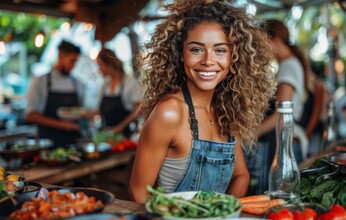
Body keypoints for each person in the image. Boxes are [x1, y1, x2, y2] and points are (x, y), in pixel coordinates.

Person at [129, 0, 277, 203]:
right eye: (196, 49)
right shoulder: (169, 112)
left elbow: (241, 176)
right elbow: (139, 193)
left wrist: (221, 214)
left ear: (234, 56)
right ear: (180, 54)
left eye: (220, 50)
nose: (208, 60)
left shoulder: (226, 109)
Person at [245, 19, 309, 195]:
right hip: (287, 137)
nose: (259, 47)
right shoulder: (290, 64)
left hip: (285, 142)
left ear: (276, 40)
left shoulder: (288, 66)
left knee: (280, 197)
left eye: (261, 41)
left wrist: (248, 135)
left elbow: (280, 115)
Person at [25, 40, 84, 147]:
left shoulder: (76, 83)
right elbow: (30, 116)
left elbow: (79, 111)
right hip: (47, 145)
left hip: (73, 144)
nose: (73, 65)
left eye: (76, 62)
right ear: (61, 55)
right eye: (72, 61)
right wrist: (62, 125)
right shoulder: (40, 81)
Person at [95, 48, 141, 137]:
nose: (99, 70)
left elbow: (138, 111)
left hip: (126, 135)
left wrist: (119, 128)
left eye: (100, 65)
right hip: (108, 135)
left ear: (108, 64)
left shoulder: (129, 83)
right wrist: (82, 113)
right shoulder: (105, 84)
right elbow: (99, 111)